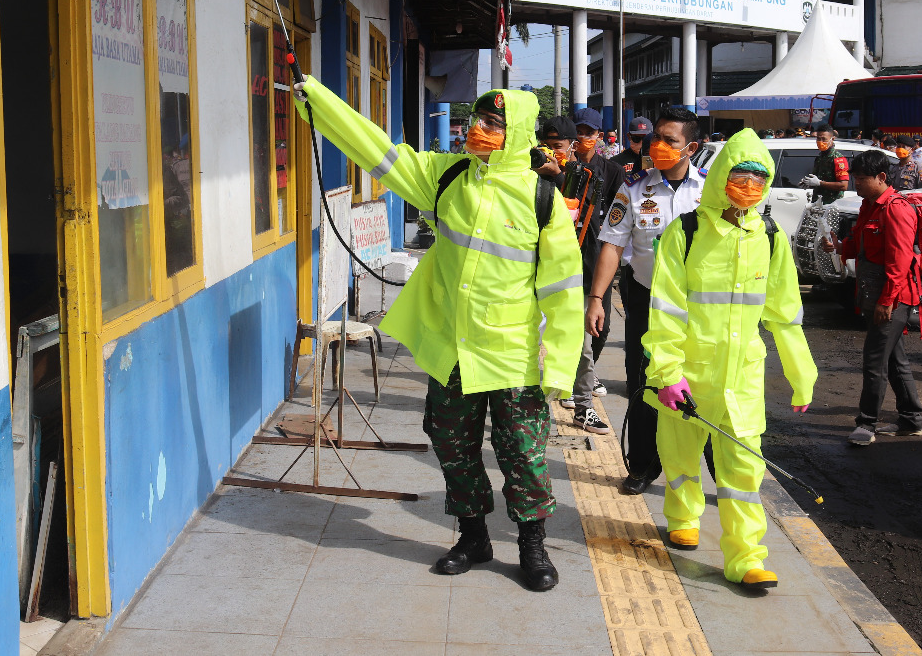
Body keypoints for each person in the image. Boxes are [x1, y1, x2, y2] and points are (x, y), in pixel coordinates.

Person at [293, 78, 583, 591]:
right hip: (451, 351)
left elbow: (563, 292)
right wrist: (318, 100)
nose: (477, 129)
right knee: (452, 444)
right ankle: (473, 536)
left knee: (523, 453)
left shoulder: (543, 200)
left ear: (514, 133)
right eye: (476, 120)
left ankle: (533, 546)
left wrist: (559, 366)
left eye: (492, 125)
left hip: (512, 355)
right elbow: (377, 150)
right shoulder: (446, 177)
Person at [645, 128, 816, 589]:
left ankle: (745, 558)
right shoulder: (687, 232)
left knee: (743, 470)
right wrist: (665, 372)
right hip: (687, 373)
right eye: (741, 176)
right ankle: (683, 515)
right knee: (680, 456)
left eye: (759, 180)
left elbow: (785, 314)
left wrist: (802, 375)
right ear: (721, 177)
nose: (749, 187)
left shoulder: (771, 236)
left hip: (742, 379)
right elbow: (665, 308)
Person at [585, 107, 705, 494]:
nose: (659, 146)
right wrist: (597, 298)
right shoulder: (634, 188)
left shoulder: (707, 193)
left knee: (699, 384)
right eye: (656, 138)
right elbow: (613, 245)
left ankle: (706, 469)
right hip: (646, 299)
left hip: (696, 306)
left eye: (670, 140)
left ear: (692, 147)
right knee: (643, 383)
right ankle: (642, 466)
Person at [822, 150, 922, 447]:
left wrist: (887, 301)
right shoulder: (870, 205)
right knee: (894, 359)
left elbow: (899, 261)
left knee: (875, 360)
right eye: (855, 178)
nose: (857, 184)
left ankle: (867, 424)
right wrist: (841, 247)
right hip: (876, 295)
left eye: (862, 179)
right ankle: (911, 419)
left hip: (891, 298)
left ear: (881, 177)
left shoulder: (896, 209)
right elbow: (863, 244)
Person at [535, 111, 623, 433]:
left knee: (583, 342)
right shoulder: (528, 171)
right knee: (531, 341)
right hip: (534, 268)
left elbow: (576, 209)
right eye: (546, 145)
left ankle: (582, 403)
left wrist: (557, 175)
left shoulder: (581, 175)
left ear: (571, 146)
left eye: (557, 145)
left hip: (576, 269)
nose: (551, 151)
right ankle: (533, 406)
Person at [800, 124, 850, 204]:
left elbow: (843, 185)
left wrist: (819, 183)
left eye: (824, 139)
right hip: (818, 203)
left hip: (831, 205)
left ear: (832, 139)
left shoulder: (838, 159)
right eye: (818, 139)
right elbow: (818, 179)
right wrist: (808, 182)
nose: (820, 142)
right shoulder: (820, 158)